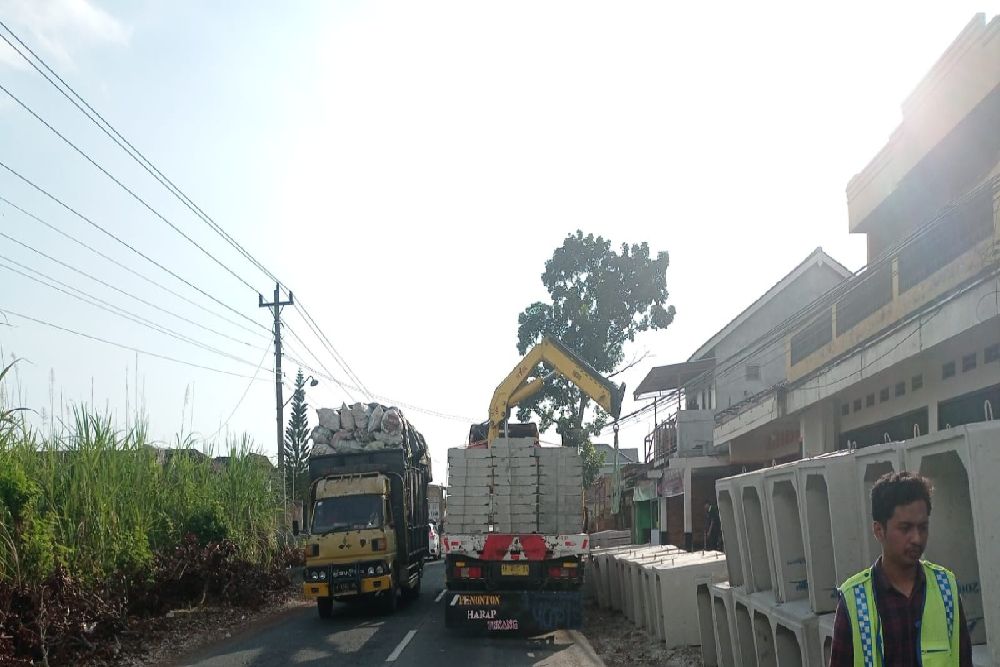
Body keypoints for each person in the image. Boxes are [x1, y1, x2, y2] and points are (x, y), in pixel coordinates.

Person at [829, 471, 971, 666]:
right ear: (879, 530)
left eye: (923, 527)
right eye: (905, 528)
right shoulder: (854, 599)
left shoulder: (945, 587)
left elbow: (963, 658)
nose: (917, 539)